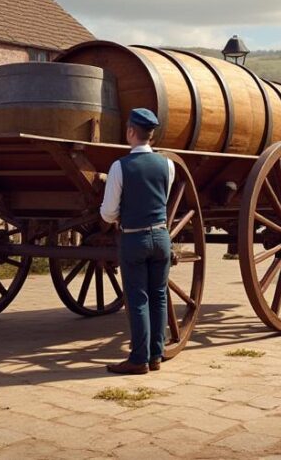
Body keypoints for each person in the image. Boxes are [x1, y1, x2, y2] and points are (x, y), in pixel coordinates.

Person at [100, 108, 176, 374]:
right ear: (151, 134)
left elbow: (109, 212)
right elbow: (162, 198)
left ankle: (138, 359)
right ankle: (156, 355)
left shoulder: (120, 166)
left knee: (138, 298)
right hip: (161, 236)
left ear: (131, 131)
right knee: (159, 296)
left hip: (134, 238)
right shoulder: (168, 164)